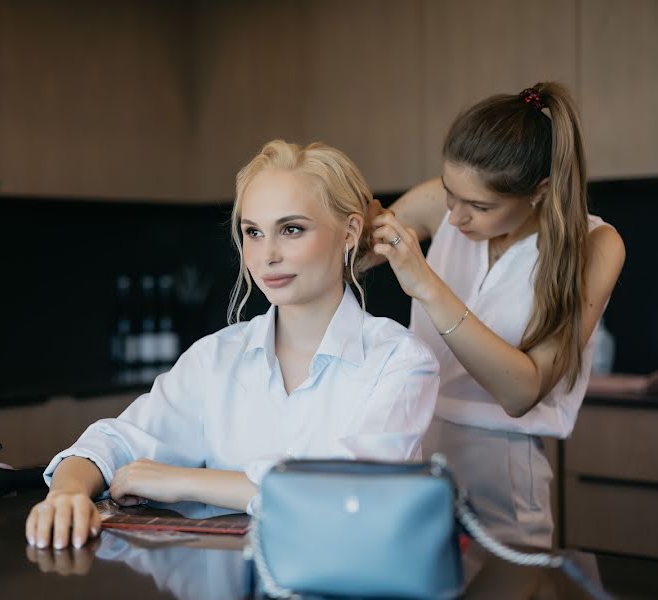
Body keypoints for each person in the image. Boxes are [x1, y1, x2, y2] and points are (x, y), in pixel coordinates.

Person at [26, 140, 440, 550]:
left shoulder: (401, 361)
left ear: (349, 232)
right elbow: (116, 442)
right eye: (253, 232)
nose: (267, 255)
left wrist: (184, 480)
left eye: (291, 229)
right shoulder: (215, 357)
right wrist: (68, 493)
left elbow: (347, 492)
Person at [368, 82, 625, 548]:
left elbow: (521, 390)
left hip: (502, 466)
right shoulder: (442, 203)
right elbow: (351, 255)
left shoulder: (594, 246)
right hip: (411, 440)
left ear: (539, 192)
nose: (456, 217)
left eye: (480, 206)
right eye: (450, 194)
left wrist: (426, 284)